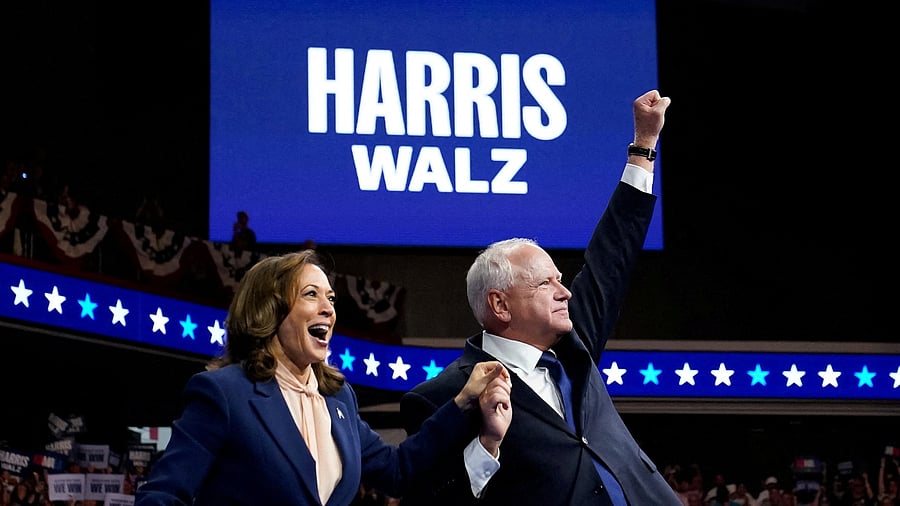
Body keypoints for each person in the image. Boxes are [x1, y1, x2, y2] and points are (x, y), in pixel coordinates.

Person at [399, 89, 681, 505]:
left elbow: (612, 255)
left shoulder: (573, 343)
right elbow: (440, 496)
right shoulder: (442, 397)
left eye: (560, 279)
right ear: (500, 305)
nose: (564, 291)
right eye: (544, 284)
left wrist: (643, 147)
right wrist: (487, 446)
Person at [134, 249, 512, 506]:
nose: (328, 309)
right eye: (311, 295)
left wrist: (461, 403)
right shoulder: (224, 393)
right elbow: (162, 496)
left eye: (331, 298)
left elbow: (397, 471)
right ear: (270, 309)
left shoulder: (338, 399)